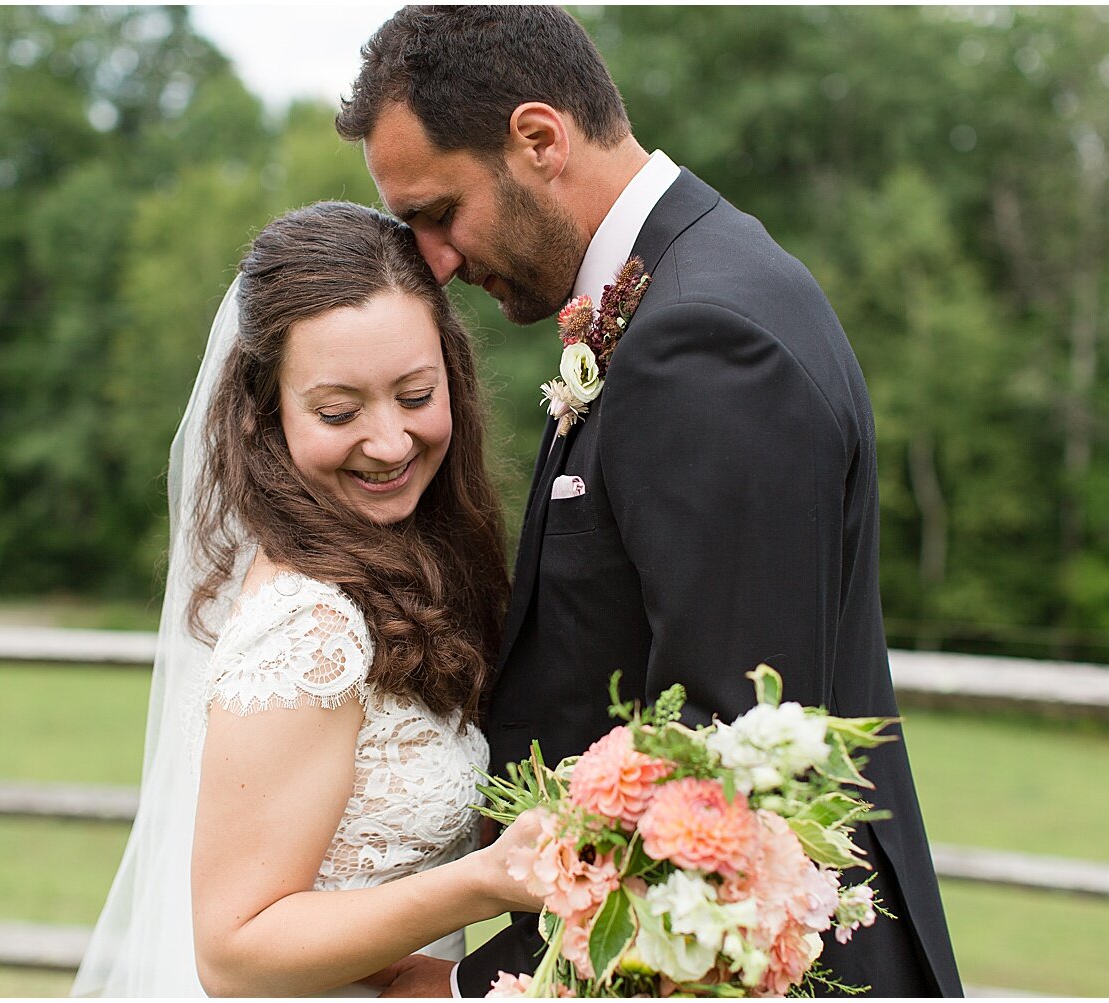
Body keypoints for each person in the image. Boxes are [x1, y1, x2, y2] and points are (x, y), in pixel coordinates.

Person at [337, 6, 964, 997]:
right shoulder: (680, 291)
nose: (437, 262)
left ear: (538, 139)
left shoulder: (705, 338)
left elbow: (723, 786)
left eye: (438, 212)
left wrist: (472, 987)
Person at [71, 201, 542, 998]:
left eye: (417, 394)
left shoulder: (403, 566)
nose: (390, 441)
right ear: (265, 412)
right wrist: (487, 881)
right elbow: (235, 950)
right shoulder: (309, 623)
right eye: (338, 411)